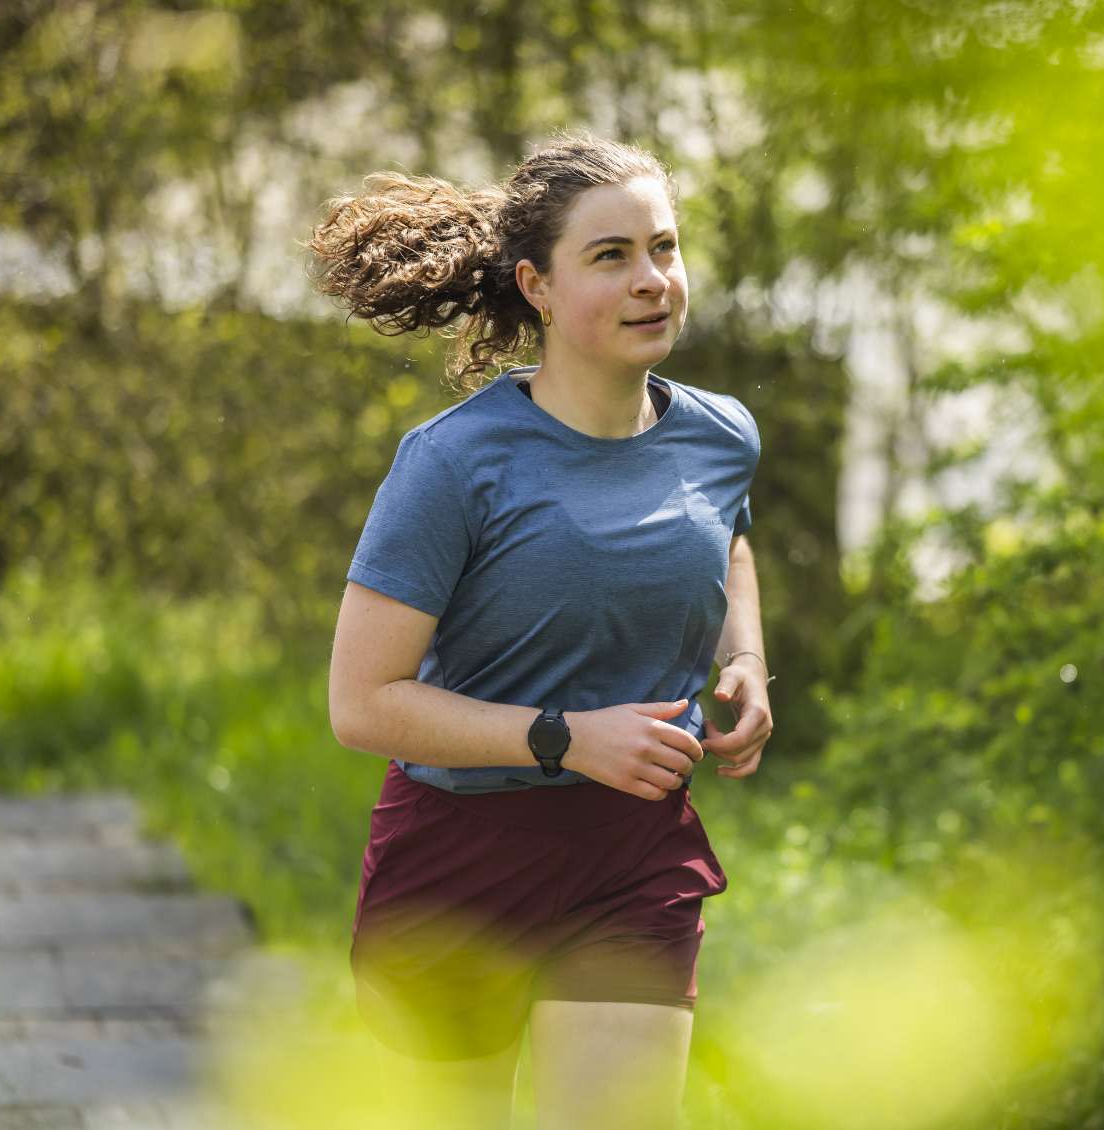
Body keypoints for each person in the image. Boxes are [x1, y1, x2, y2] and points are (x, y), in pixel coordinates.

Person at [313, 130, 771, 1130]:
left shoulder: (719, 435)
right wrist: (565, 734)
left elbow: (727, 538)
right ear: (539, 286)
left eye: (665, 246)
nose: (653, 279)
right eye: (611, 257)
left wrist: (746, 659)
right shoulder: (453, 463)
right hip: (460, 860)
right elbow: (362, 703)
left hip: (631, 856)